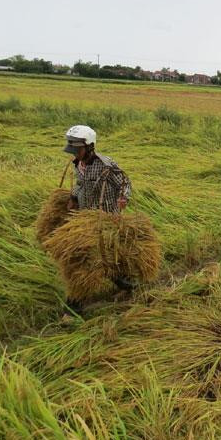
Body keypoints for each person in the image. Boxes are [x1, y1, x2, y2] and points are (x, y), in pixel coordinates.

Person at [62, 125, 133, 316]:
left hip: (106, 217)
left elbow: (125, 183)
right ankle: (119, 280)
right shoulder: (78, 164)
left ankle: (74, 304)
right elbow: (80, 184)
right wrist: (74, 197)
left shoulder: (105, 164)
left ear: (90, 146)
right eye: (73, 150)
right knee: (91, 256)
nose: (75, 154)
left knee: (93, 257)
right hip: (87, 217)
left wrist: (123, 198)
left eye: (78, 149)